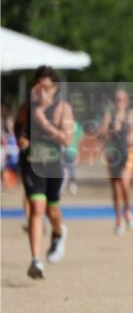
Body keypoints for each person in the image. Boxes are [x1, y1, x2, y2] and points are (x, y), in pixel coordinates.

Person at [14, 66, 75, 279]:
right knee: (37, 208)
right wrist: (21, 139)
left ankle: (59, 232)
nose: (41, 91)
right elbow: (18, 127)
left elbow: (67, 140)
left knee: (52, 211)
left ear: (55, 89)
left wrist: (44, 122)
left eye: (46, 87)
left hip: (54, 165)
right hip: (32, 162)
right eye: (38, 86)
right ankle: (36, 260)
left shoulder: (63, 109)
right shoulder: (26, 108)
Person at [98, 89, 133, 235]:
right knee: (116, 190)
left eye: (123, 99)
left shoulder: (132, 114)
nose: (120, 102)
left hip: (128, 152)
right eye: (118, 99)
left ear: (127, 101)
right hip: (113, 154)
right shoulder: (109, 115)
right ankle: (118, 220)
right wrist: (110, 130)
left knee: (124, 182)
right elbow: (101, 134)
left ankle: (128, 210)